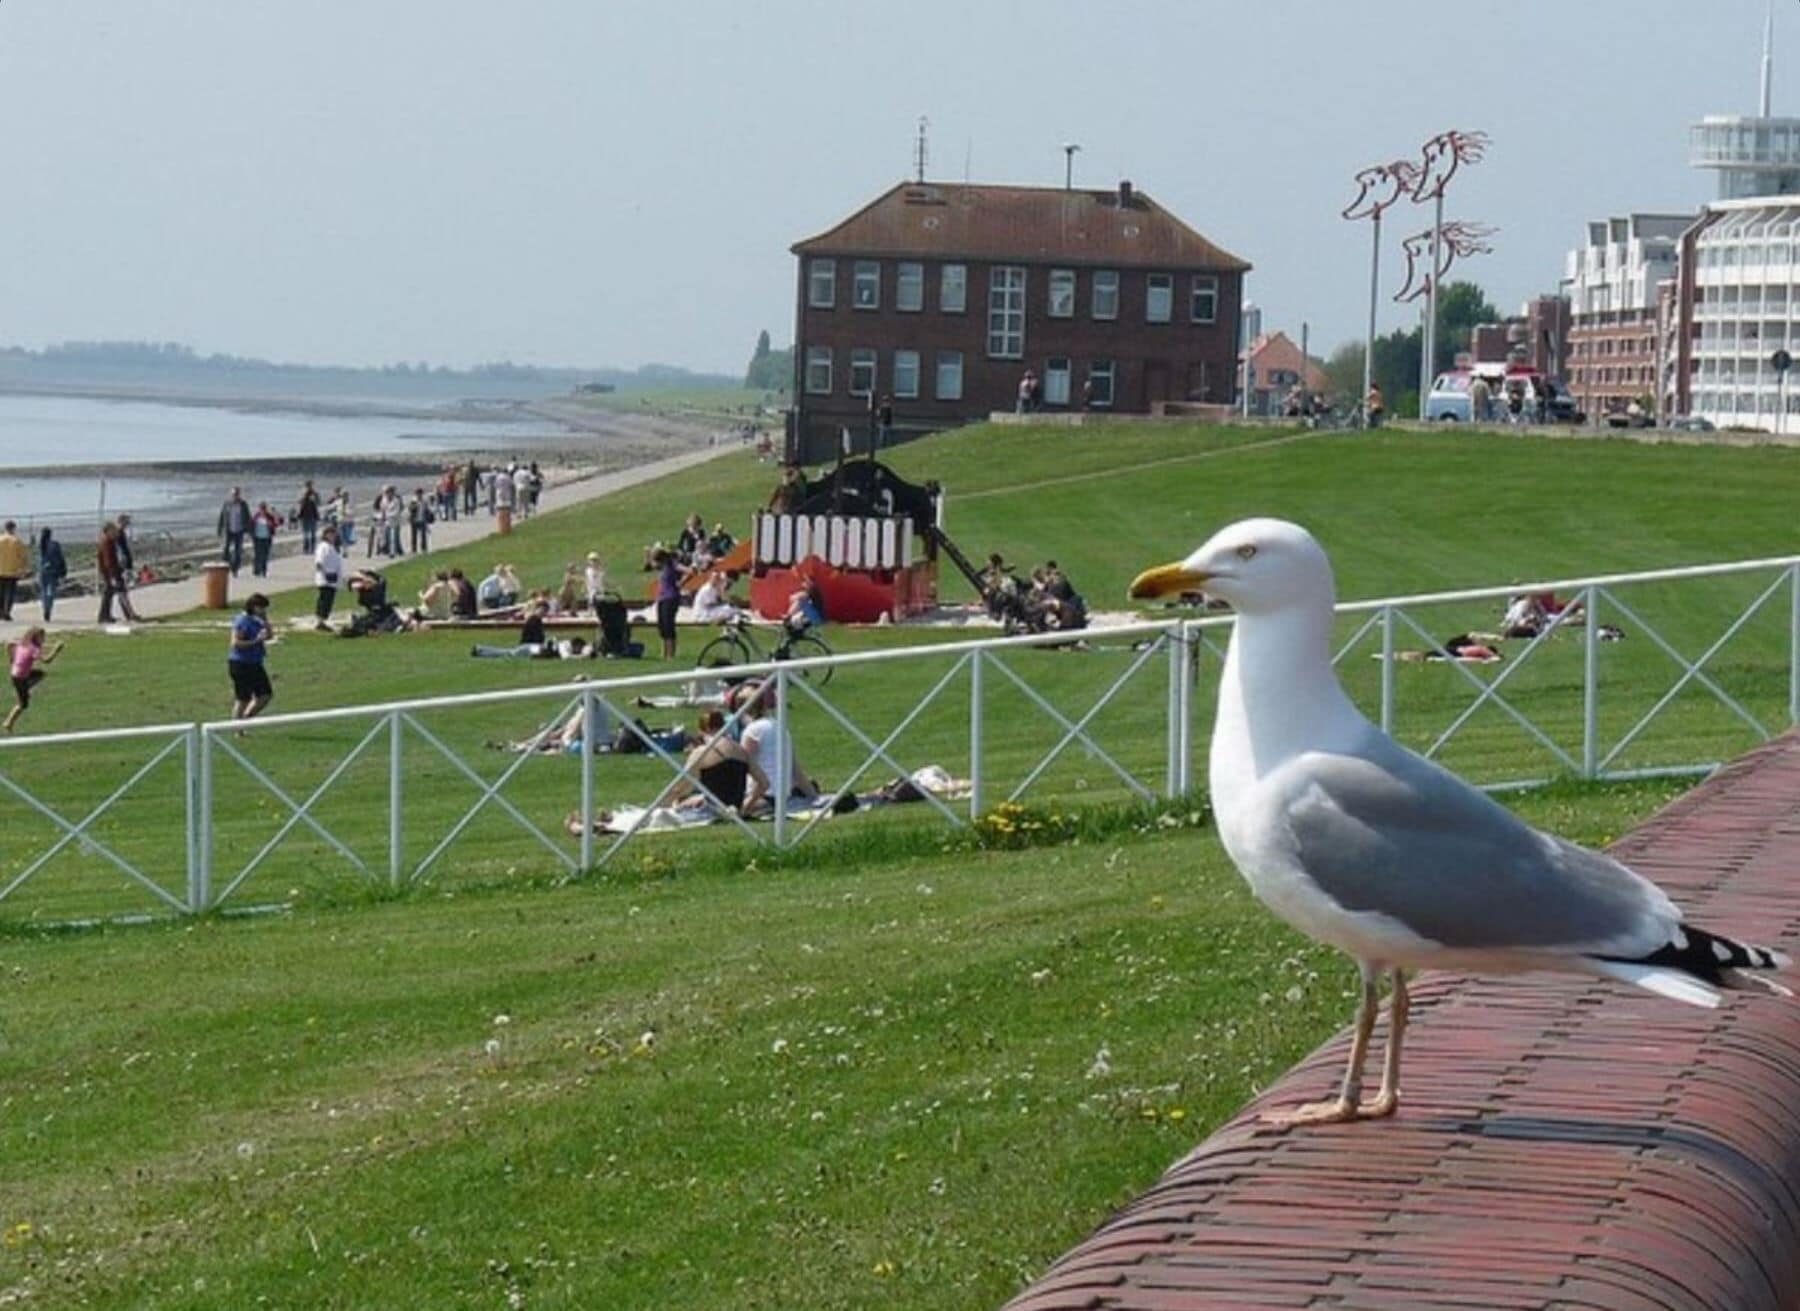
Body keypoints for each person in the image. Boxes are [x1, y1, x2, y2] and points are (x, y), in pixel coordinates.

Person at [666, 708, 767, 812]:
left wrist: (669, 802)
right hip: (734, 807)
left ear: (704, 729)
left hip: (711, 809)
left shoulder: (701, 752)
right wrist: (747, 805)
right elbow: (764, 783)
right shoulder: (741, 751)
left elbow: (682, 784)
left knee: (677, 804)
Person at [739, 682, 819, 811]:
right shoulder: (780, 727)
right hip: (783, 796)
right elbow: (795, 769)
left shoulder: (752, 731)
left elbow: (742, 767)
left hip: (762, 795)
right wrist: (814, 797)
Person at [5, 627, 65, 734]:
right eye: (42, 637)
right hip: (20, 678)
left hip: (16, 674)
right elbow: (47, 660)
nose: (43, 640)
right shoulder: (33, 649)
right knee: (23, 705)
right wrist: (56, 650)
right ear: (35, 637)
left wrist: (12, 660)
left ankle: (24, 689)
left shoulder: (23, 644)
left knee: (40, 674)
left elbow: (9, 645)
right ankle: (8, 723)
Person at [228, 593, 275, 720]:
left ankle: (246, 719)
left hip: (255, 663)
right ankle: (237, 727)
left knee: (265, 695)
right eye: (262, 608)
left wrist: (266, 621)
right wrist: (256, 641)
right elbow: (236, 643)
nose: (264, 611)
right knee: (243, 699)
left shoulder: (256, 620)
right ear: (254, 607)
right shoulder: (242, 621)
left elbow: (269, 636)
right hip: (241, 664)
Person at [112, 513, 144, 622]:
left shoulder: (121, 533)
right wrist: (124, 564)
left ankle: (129, 613)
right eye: (126, 522)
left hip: (123, 564)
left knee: (123, 590)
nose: (128, 525)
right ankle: (129, 614)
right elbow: (120, 550)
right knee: (122, 590)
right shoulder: (118, 534)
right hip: (121, 565)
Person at [653, 547, 683, 660]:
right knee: (662, 626)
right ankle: (664, 652)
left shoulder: (672, 565)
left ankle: (671, 654)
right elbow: (651, 565)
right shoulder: (662, 567)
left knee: (668, 625)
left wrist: (680, 583)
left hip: (671, 598)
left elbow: (689, 571)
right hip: (661, 598)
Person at [313, 524, 344, 630]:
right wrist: (325, 574)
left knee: (329, 600)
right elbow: (319, 562)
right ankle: (320, 621)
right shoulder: (323, 547)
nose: (332, 536)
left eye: (334, 534)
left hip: (333, 578)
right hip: (326, 577)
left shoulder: (333, 547)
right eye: (330, 534)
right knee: (324, 600)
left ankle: (323, 619)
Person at [96, 521, 127, 623]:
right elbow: (108, 560)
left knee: (109, 593)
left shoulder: (110, 541)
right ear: (108, 531)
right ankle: (104, 616)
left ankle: (105, 615)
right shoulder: (107, 542)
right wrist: (112, 575)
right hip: (110, 572)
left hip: (111, 571)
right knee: (110, 593)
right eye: (113, 530)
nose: (115, 531)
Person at [0, 521, 31, 622]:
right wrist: (24, 569)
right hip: (12, 572)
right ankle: (6, 612)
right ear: (13, 528)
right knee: (9, 593)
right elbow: (23, 557)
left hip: (0, 571)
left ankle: (1, 611)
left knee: (1, 593)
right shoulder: (17, 541)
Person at [34, 527, 67, 623]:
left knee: (43, 591)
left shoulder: (39, 545)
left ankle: (45, 607)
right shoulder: (55, 545)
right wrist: (63, 570)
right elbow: (60, 558)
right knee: (51, 592)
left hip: (42, 571)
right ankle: (48, 608)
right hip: (53, 571)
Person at [218, 487, 251, 575]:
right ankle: (225, 566)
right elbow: (222, 516)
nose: (235, 496)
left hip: (239, 530)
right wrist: (220, 529)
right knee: (225, 549)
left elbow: (248, 517)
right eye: (233, 494)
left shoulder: (243, 504)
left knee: (238, 551)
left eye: (236, 494)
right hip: (229, 530)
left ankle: (235, 569)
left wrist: (249, 531)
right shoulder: (227, 504)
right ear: (231, 494)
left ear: (239, 494)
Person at [250, 501, 283, 578]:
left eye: (264, 509)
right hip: (257, 538)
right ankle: (256, 571)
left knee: (265, 555)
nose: (263, 510)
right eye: (261, 509)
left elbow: (278, 523)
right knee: (257, 555)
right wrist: (251, 533)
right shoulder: (256, 516)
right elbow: (251, 524)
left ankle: (263, 571)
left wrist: (275, 516)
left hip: (267, 538)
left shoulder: (269, 517)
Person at [297, 480, 321, 553]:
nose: (310, 487)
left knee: (313, 533)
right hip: (304, 516)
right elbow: (299, 502)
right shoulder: (302, 493)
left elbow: (319, 503)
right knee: (305, 533)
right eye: (309, 486)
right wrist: (304, 497)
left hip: (313, 515)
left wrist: (314, 499)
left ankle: (312, 548)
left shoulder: (315, 494)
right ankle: (306, 548)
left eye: (311, 486)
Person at [407, 487, 432, 555]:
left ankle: (424, 549)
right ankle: (414, 550)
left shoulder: (424, 501)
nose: (419, 495)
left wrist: (428, 518)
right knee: (413, 536)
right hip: (414, 520)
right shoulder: (413, 501)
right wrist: (415, 506)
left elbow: (427, 510)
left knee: (423, 535)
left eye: (420, 493)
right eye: (417, 494)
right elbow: (410, 510)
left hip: (422, 520)